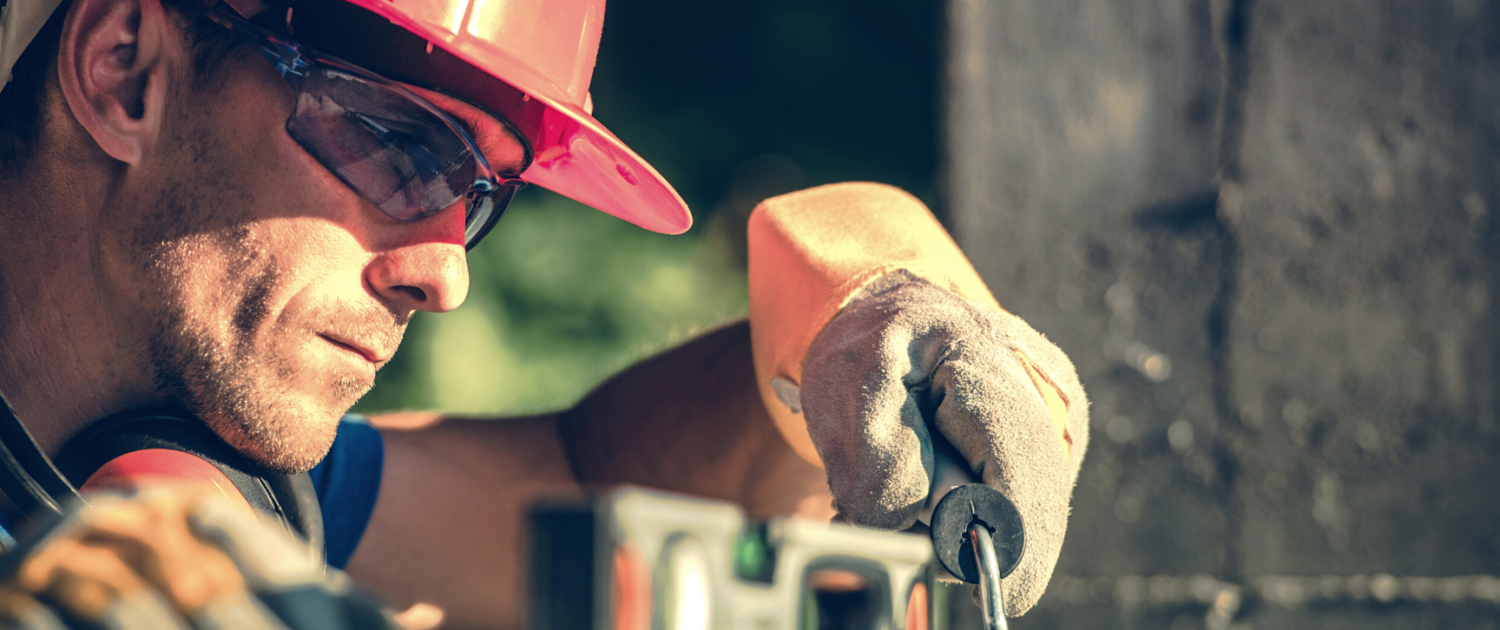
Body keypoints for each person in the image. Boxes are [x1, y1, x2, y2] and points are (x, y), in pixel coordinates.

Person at [0, 0, 1092, 626]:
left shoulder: (217, 470)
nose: (447, 275)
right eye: (400, 148)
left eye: (482, 198)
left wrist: (870, 302)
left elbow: (595, 469)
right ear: (125, 71)